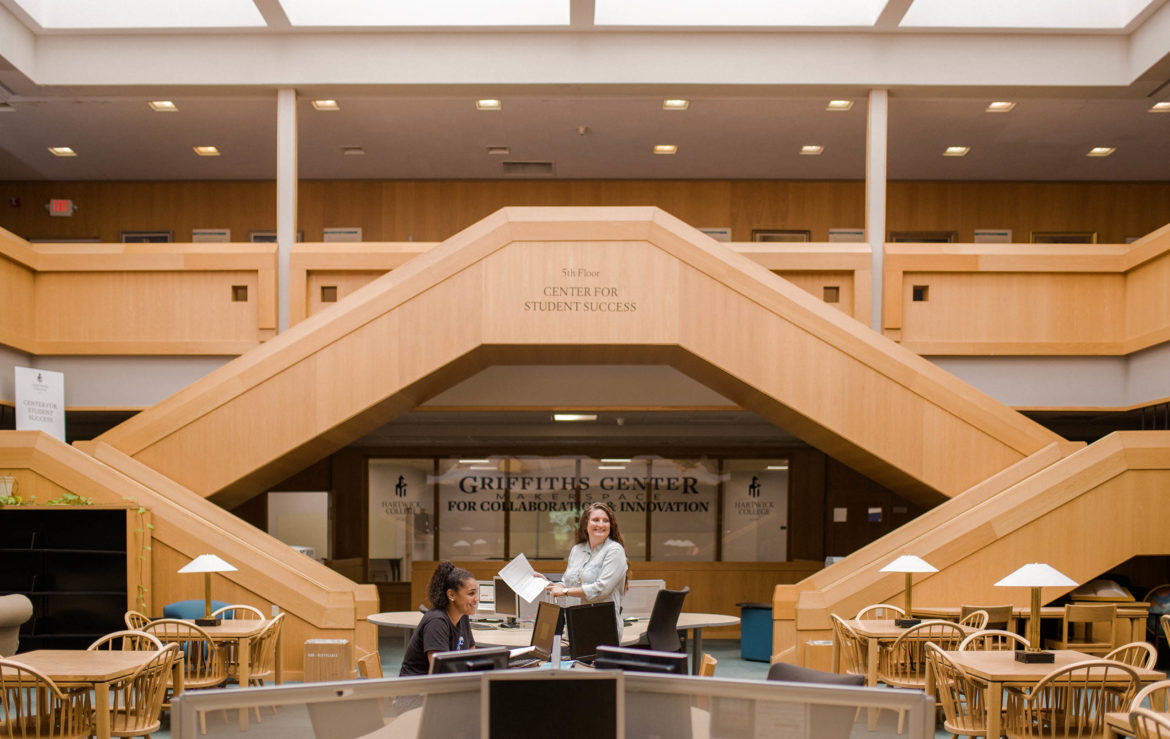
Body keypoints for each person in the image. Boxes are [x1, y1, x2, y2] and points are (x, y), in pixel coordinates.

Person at [546, 502, 628, 635]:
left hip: (602, 626)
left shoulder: (614, 550)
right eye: (595, 520)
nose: (601, 524)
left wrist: (565, 591)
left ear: (611, 525)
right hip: (575, 624)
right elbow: (568, 582)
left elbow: (601, 590)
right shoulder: (577, 549)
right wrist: (553, 585)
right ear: (585, 524)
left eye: (606, 521)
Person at [399, 561, 478, 676]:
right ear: (451, 595)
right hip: (417, 689)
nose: (476, 599)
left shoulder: (463, 616)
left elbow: (473, 659)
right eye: (471, 594)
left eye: (476, 593)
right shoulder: (436, 622)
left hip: (443, 686)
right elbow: (441, 673)